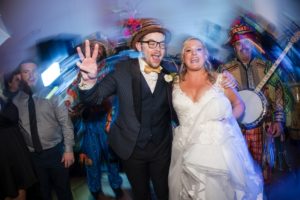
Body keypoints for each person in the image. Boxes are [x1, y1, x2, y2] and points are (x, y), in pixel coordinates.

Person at [75, 18, 236, 200]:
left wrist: (225, 78)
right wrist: (88, 81)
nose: (158, 49)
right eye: (151, 43)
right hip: (131, 150)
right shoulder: (121, 71)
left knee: (165, 192)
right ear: (138, 46)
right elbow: (92, 98)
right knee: (141, 194)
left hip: (163, 149)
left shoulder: (171, 69)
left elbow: (196, 78)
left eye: (161, 44)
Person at [168, 37, 263, 200]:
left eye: (198, 49)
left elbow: (239, 105)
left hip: (218, 149)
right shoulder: (173, 82)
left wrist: (228, 122)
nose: (194, 54)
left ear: (206, 54)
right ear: (183, 57)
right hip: (185, 148)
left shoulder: (221, 80)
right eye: (188, 50)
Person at [221, 17, 288, 182]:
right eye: (238, 44)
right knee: (239, 173)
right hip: (236, 130)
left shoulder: (266, 68)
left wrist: (278, 121)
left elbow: (279, 94)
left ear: (253, 44)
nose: (243, 47)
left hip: (263, 128)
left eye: (247, 42)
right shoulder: (224, 70)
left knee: (263, 173)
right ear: (234, 47)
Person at [66, 40, 126, 200]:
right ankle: (95, 189)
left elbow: (117, 93)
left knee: (112, 157)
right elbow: (72, 93)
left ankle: (116, 186)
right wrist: (69, 104)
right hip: (89, 122)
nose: (94, 50)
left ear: (103, 51)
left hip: (108, 120)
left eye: (98, 48)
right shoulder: (82, 70)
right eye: (91, 47)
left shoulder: (111, 68)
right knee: (91, 159)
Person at [13, 60, 75, 200]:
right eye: (26, 72)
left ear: (39, 72)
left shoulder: (53, 94)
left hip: (56, 154)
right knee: (42, 194)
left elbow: (66, 123)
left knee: (63, 191)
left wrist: (69, 149)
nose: (31, 75)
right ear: (20, 76)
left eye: (34, 71)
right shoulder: (16, 102)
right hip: (33, 158)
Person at [0, 76, 37, 200]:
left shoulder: (7, 98)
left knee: (21, 187)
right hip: (3, 151)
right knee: (7, 187)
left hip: (16, 148)